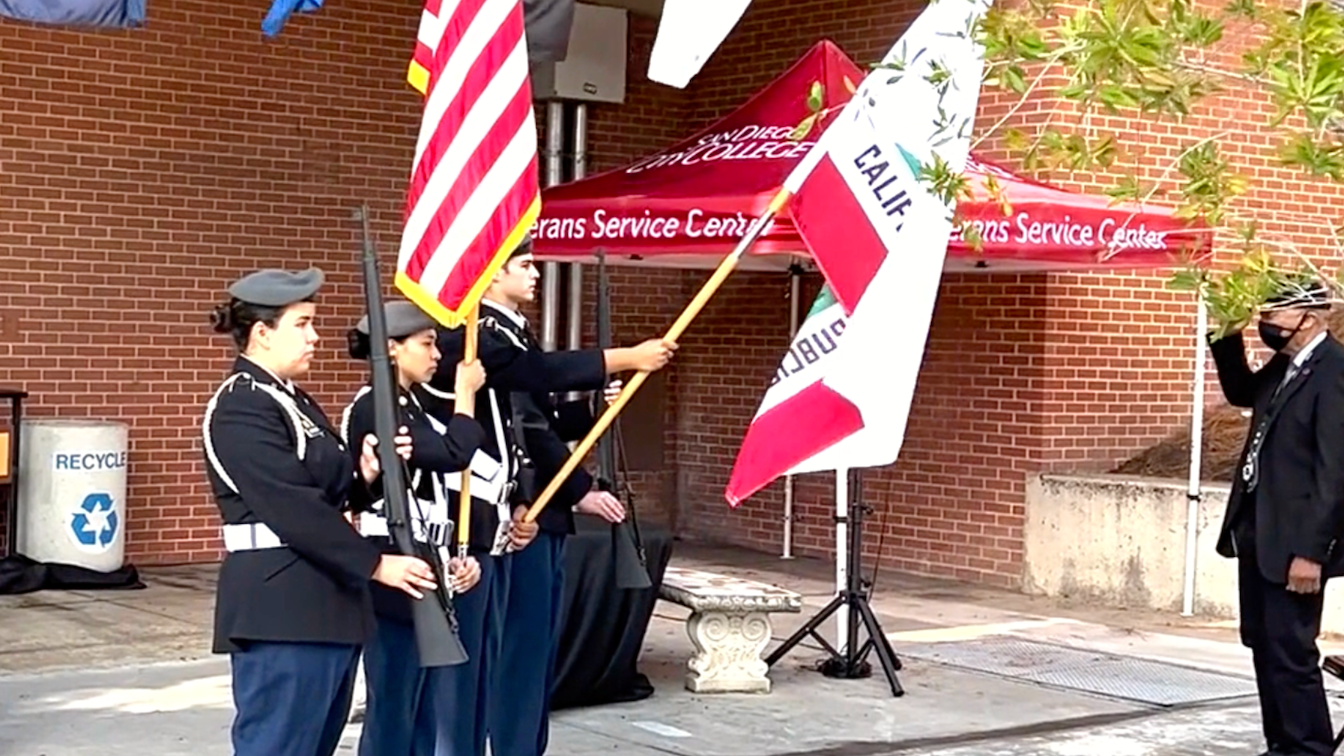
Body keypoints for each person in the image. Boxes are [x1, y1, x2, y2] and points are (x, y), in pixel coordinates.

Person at [421, 236, 675, 756]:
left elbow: (542, 417)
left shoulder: (512, 333)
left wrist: (596, 407)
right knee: (496, 657)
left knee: (525, 653)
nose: (536, 274)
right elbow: (537, 385)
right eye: (525, 265)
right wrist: (625, 356)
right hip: (487, 514)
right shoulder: (480, 336)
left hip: (522, 508)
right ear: (492, 274)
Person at [201, 268, 436, 756]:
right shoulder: (241, 406)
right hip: (281, 608)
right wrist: (375, 564)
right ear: (262, 334)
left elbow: (327, 489)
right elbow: (292, 507)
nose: (314, 337)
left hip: (323, 604)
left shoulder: (290, 399)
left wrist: (365, 474)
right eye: (302, 323)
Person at [340, 300, 490, 756]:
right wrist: (466, 396)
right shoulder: (375, 407)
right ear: (391, 348)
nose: (437, 354)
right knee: (395, 700)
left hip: (425, 557)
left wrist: (452, 559)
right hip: (391, 558)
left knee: (423, 705)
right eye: (426, 344)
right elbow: (451, 453)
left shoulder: (409, 405)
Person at [1209, 277, 1344, 756]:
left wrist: (1313, 552)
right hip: (1258, 533)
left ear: (1309, 318)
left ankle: (1309, 748)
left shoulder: (1334, 372)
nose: (1265, 323)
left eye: (1273, 315)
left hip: (1296, 545)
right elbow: (1243, 391)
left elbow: (1336, 473)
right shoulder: (1287, 366)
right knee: (1263, 646)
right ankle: (1282, 744)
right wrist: (1226, 330)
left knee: (1291, 653)